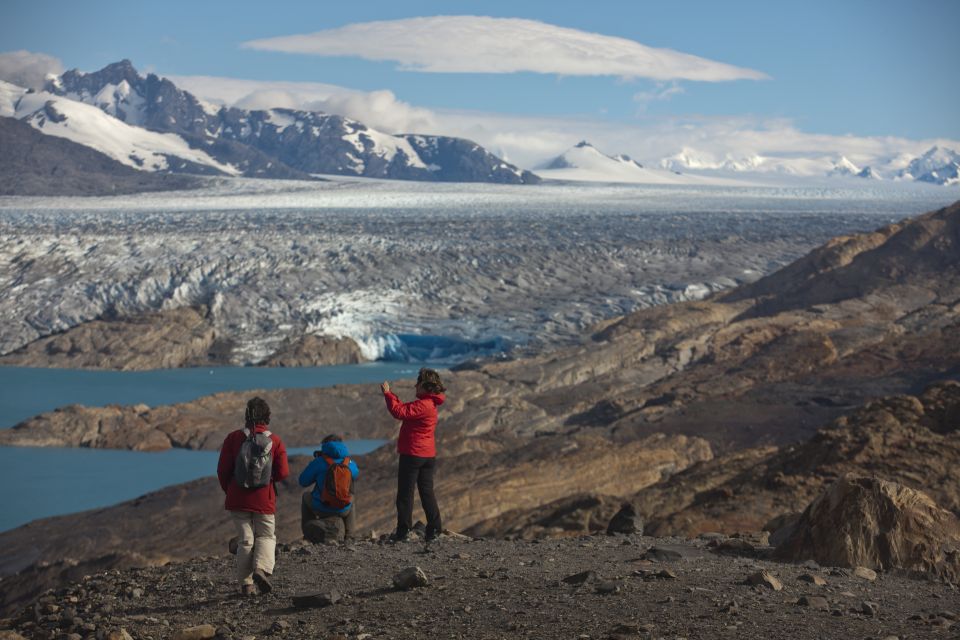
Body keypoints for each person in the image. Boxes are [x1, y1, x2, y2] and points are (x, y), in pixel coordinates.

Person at [216, 396, 289, 596]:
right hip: (264, 499)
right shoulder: (275, 441)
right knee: (266, 535)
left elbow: (222, 470)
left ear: (247, 416)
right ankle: (261, 569)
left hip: (237, 498)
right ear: (268, 417)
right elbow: (283, 473)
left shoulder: (233, 438)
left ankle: (246, 585)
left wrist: (229, 490)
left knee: (246, 540)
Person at [380, 367, 446, 542]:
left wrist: (388, 394)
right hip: (427, 455)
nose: (415, 386)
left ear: (426, 386)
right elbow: (404, 408)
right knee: (427, 493)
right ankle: (435, 528)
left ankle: (403, 531)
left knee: (405, 494)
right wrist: (393, 396)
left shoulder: (423, 405)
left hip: (412, 454)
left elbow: (399, 412)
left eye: (418, 383)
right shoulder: (430, 404)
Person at [298, 434, 360, 542]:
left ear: (325, 446)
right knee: (351, 497)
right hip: (343, 509)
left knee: (305, 496)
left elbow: (303, 481)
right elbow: (356, 474)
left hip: (321, 508)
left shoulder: (319, 462)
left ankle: (308, 533)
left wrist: (316, 466)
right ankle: (350, 536)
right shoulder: (349, 462)